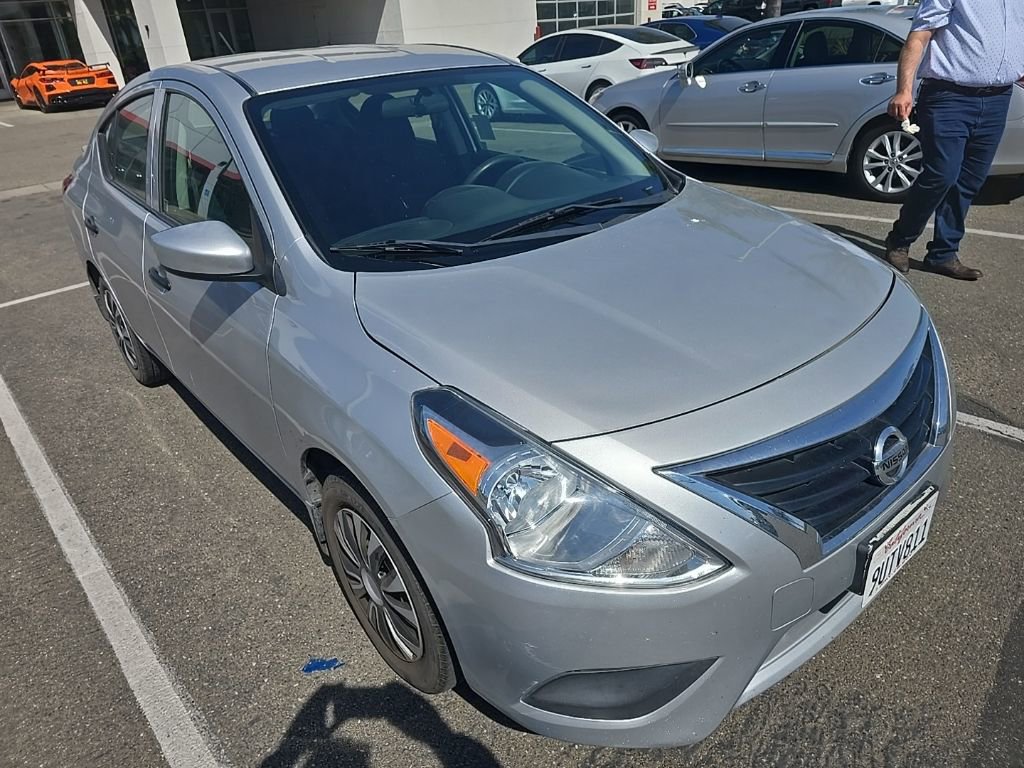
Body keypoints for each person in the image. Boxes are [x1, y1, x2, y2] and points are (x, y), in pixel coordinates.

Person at [884, 0, 1024, 281]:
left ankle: (943, 253)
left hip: (998, 97)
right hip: (949, 96)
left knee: (971, 179)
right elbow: (920, 35)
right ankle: (900, 239)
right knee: (942, 174)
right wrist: (904, 90)